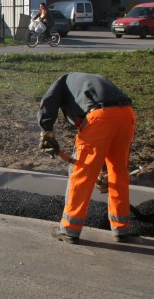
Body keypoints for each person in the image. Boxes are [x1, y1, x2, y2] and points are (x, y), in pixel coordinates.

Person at [38, 72, 135, 243]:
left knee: (82, 173)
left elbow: (48, 103)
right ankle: (121, 228)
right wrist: (102, 169)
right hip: (126, 114)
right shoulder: (88, 82)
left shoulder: (61, 82)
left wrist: (46, 130)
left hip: (99, 116)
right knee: (118, 171)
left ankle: (69, 228)